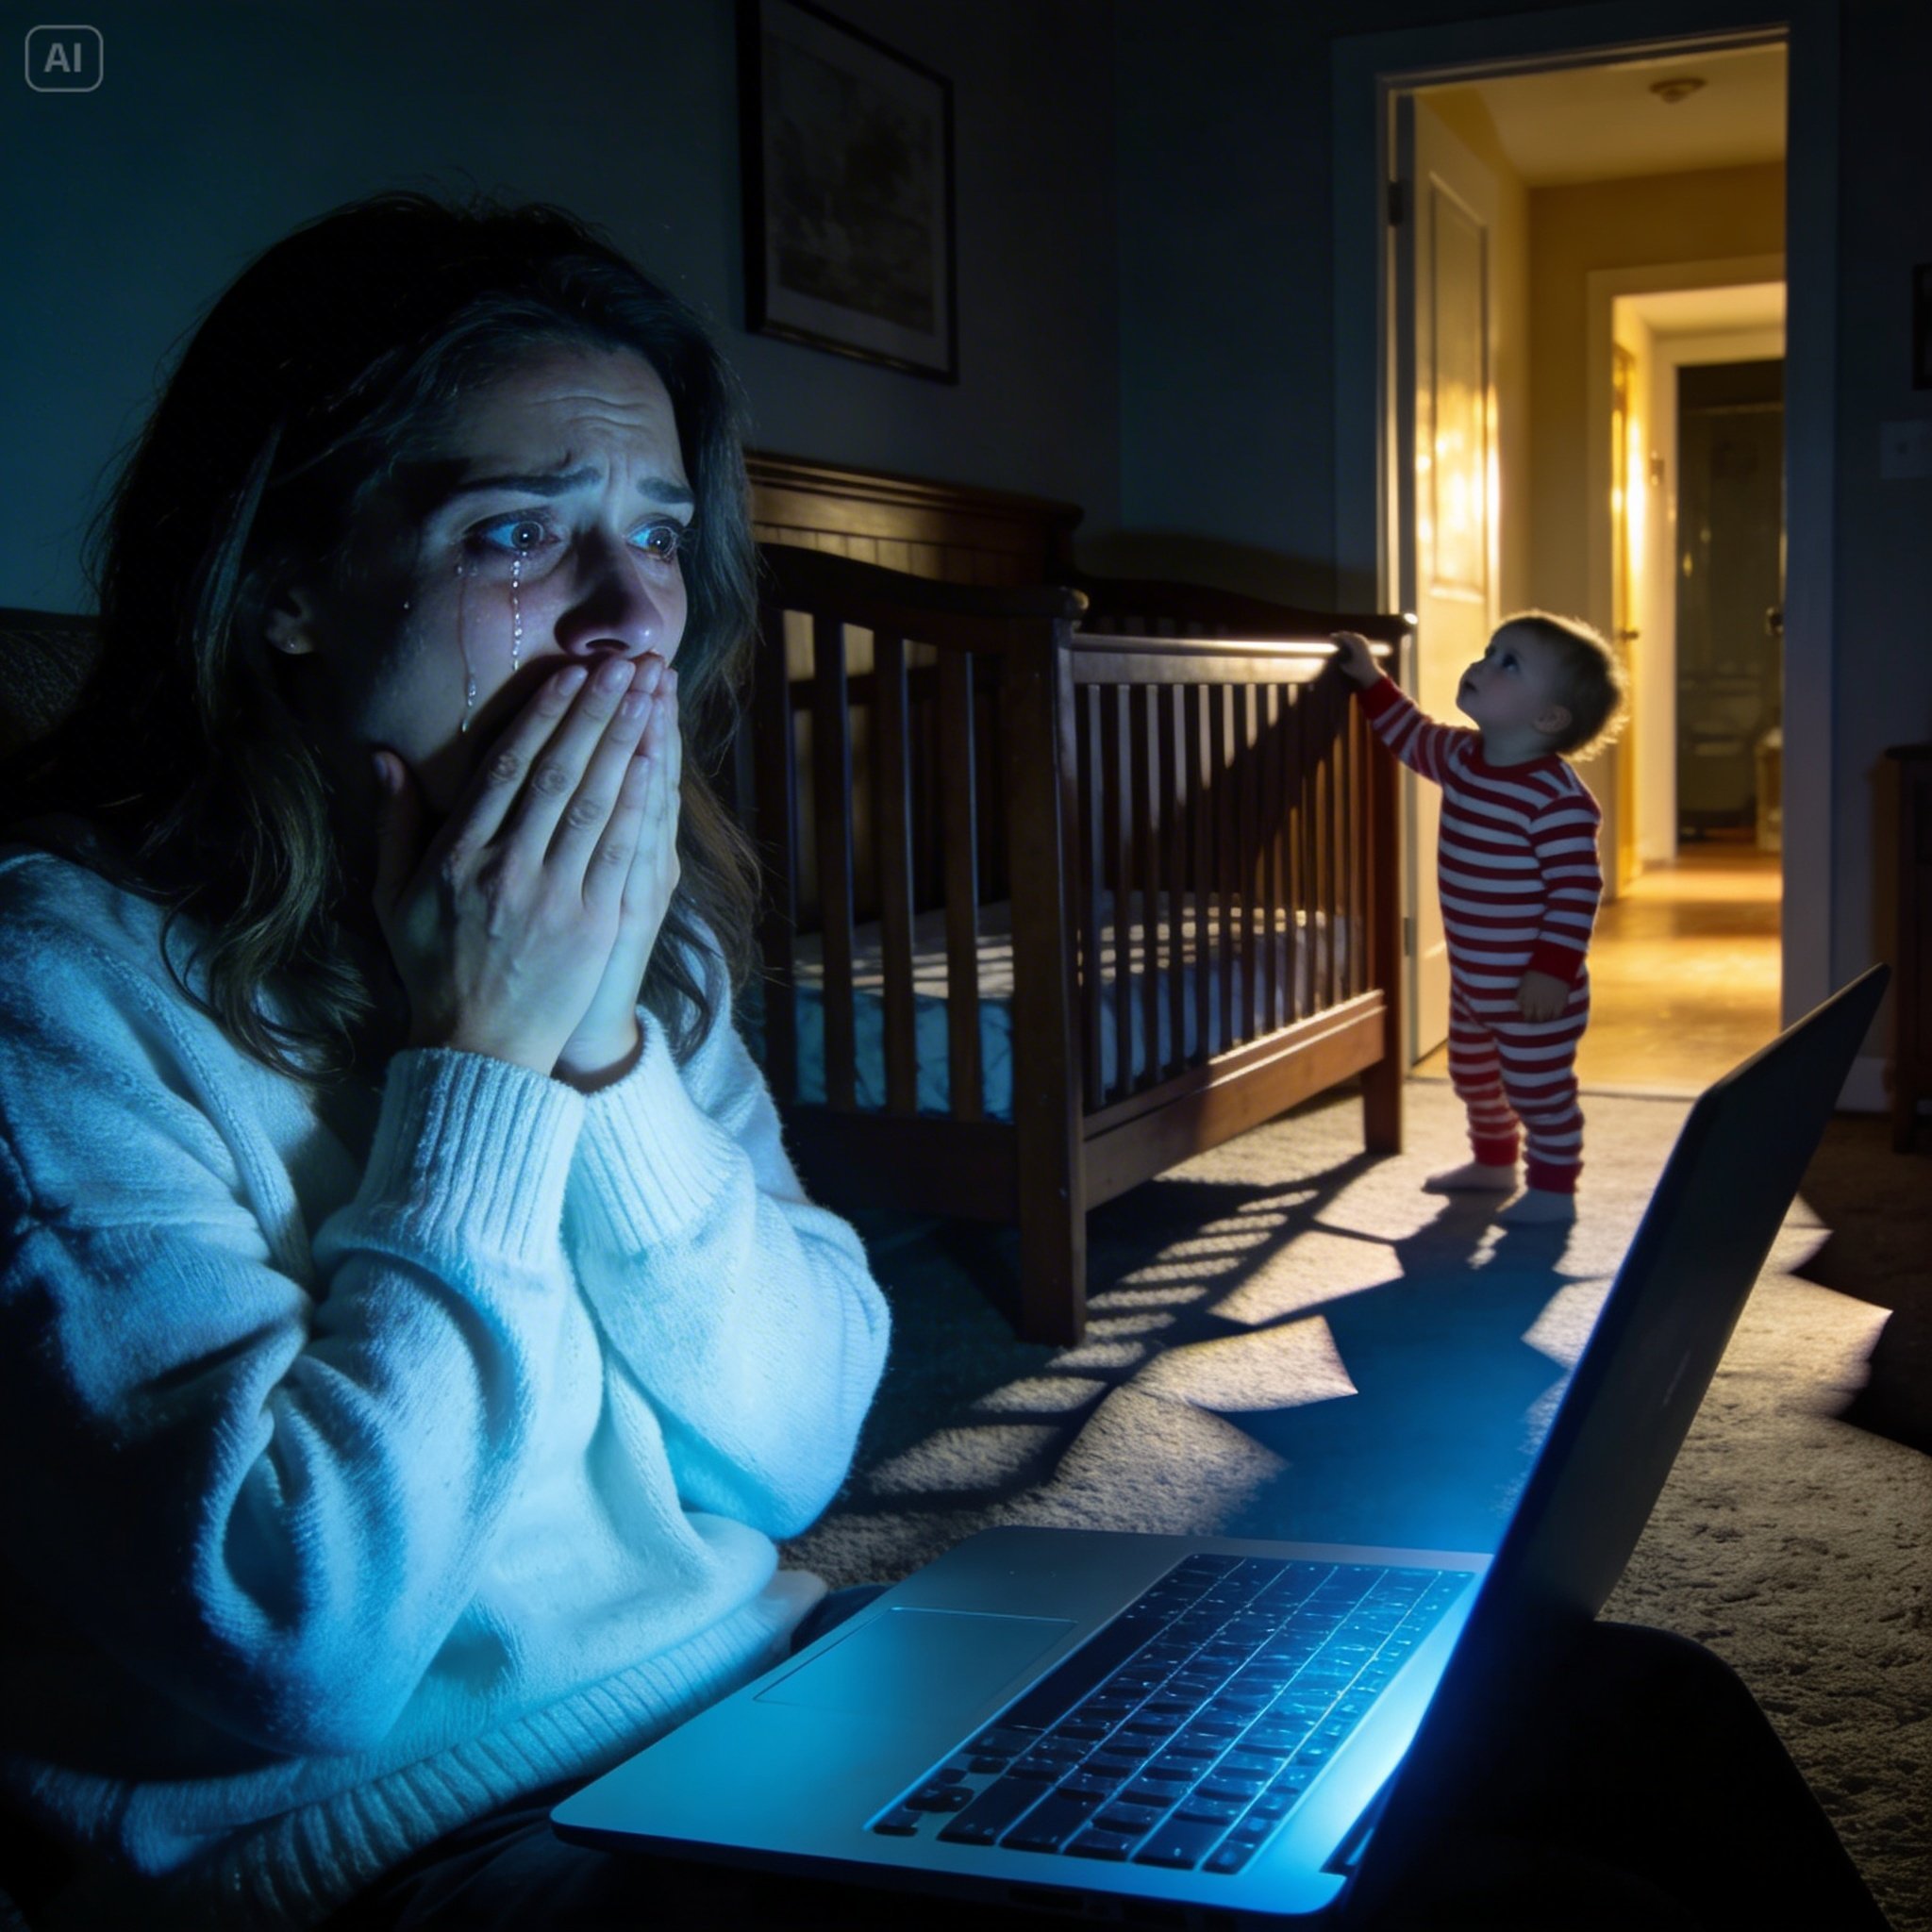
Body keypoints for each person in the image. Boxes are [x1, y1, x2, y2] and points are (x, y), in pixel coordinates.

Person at [0, 192, 892, 1931]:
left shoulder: (634, 928)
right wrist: (482, 1061)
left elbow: (790, 1459)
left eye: (658, 528)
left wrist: (603, 1046)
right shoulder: (56, 986)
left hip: (763, 1700)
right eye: (514, 534)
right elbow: (296, 1636)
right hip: (402, 1847)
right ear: (282, 592)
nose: (639, 612)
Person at [1331, 618, 1623, 1225]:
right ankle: (1493, 1163)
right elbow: (1408, 733)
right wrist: (1369, 680)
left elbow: (1576, 891)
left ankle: (1553, 1188)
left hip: (1535, 990)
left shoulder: (1558, 800)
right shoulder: (1463, 757)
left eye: (1509, 663)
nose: (1483, 663)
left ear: (1548, 720)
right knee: (1473, 1075)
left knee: (1538, 1090)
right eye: (1490, 651)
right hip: (1474, 980)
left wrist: (1551, 973)